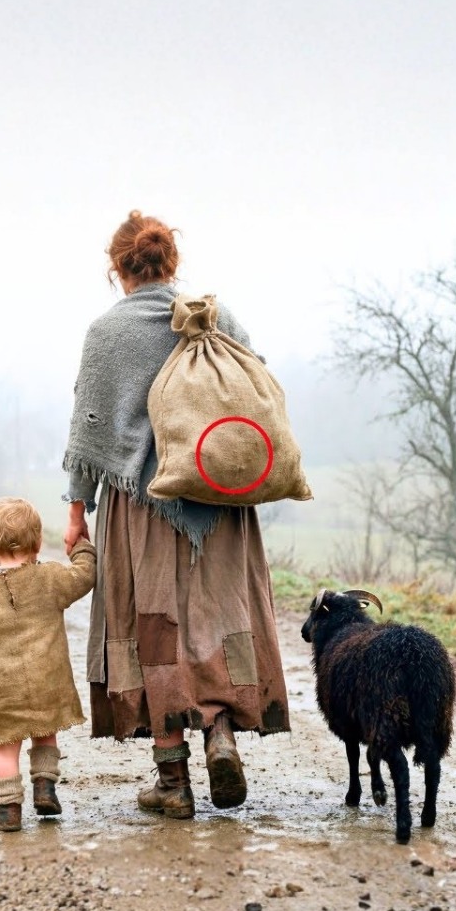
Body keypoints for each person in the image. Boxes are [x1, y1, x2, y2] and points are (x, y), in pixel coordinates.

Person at [62, 210, 290, 819]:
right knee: (220, 615)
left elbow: (88, 426)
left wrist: (77, 510)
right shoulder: (213, 316)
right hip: (220, 502)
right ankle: (220, 732)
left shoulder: (107, 334)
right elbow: (258, 382)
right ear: (172, 262)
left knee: (150, 626)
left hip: (142, 508)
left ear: (117, 268)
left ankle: (172, 780)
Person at [0, 496, 97, 832]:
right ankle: (45, 788)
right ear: (39, 543)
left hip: (2, 691)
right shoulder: (51, 579)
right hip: (47, 682)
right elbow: (84, 577)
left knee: (5, 750)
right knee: (45, 736)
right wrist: (82, 547)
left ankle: (9, 810)